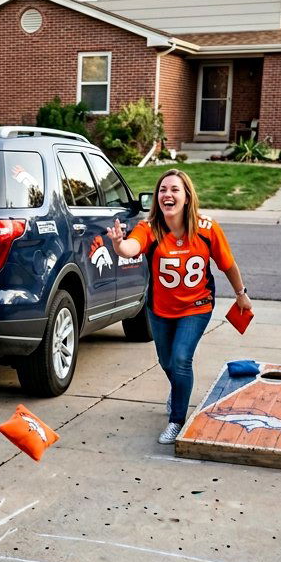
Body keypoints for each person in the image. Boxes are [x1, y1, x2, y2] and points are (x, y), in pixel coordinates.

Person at [108, 168, 251, 444]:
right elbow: (131, 248)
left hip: (196, 306)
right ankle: (178, 391)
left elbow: (228, 265)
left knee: (182, 358)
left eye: (174, 189)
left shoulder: (207, 228)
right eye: (163, 190)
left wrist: (240, 294)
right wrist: (118, 244)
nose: (167, 194)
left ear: (187, 196)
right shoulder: (149, 228)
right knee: (167, 361)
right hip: (160, 308)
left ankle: (176, 420)